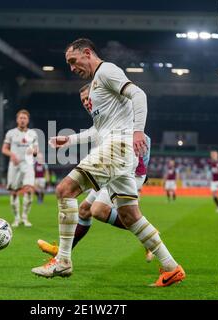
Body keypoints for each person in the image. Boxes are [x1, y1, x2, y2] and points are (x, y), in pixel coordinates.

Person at [32, 38, 185, 287]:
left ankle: (63, 260)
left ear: (87, 53)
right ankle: (171, 267)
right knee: (129, 214)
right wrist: (68, 140)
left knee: (64, 190)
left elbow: (139, 94)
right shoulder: (97, 87)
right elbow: (97, 130)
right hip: (119, 152)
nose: (71, 68)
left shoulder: (106, 71)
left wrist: (138, 131)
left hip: (117, 147)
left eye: (73, 61)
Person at [38, 83, 155, 263]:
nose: (86, 102)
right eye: (83, 100)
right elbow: (92, 133)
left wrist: (134, 177)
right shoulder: (102, 119)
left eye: (88, 98)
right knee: (84, 210)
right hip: (110, 172)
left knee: (99, 210)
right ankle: (62, 253)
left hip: (127, 172)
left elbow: (142, 145)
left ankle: (149, 240)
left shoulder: (120, 115)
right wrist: (69, 140)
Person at [2, 109, 39, 228]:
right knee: (14, 192)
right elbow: (4, 149)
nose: (22, 120)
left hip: (28, 164)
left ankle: (25, 217)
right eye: (20, 118)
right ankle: (16, 218)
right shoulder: (11, 133)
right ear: (17, 120)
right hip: (15, 165)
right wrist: (12, 154)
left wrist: (33, 151)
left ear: (28, 120)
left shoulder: (33, 134)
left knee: (29, 190)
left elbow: (36, 151)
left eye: (25, 118)